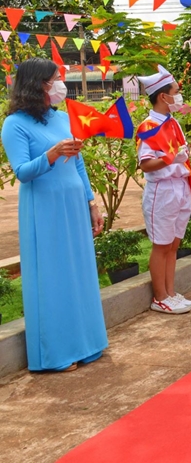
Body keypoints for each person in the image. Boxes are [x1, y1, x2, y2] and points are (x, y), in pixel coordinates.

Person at [1, 58, 107, 371]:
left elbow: (78, 163)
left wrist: (91, 202)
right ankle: (57, 353)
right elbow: (22, 172)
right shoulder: (15, 124)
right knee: (53, 276)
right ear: (38, 84)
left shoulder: (61, 119)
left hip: (74, 203)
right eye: (55, 77)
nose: (61, 82)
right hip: (44, 208)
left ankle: (86, 343)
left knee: (79, 272)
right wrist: (51, 154)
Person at [137, 65, 191, 313]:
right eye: (176, 91)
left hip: (179, 187)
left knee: (173, 244)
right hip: (161, 191)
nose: (179, 95)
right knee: (161, 245)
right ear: (163, 96)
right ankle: (160, 297)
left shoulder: (173, 123)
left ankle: (171, 293)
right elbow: (145, 164)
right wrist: (169, 159)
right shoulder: (148, 126)